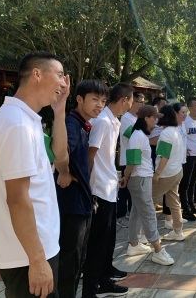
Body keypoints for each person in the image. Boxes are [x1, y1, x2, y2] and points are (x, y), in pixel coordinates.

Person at [0, 51, 69, 298]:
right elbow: (17, 199)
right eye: (60, 75)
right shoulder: (17, 125)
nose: (64, 83)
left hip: (35, 250)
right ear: (37, 74)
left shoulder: (27, 120)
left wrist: (60, 110)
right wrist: (37, 259)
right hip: (27, 256)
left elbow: (60, 157)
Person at [55, 79, 108, 298]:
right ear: (79, 99)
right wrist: (63, 171)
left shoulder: (83, 124)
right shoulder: (72, 124)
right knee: (69, 262)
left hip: (81, 202)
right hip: (72, 204)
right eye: (95, 99)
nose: (100, 105)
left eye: (103, 100)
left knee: (77, 260)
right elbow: (59, 150)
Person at [81, 82, 134, 298]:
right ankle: (90, 290)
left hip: (109, 187)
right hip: (99, 190)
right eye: (132, 100)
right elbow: (90, 155)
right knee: (97, 244)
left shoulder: (113, 121)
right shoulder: (102, 122)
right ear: (124, 100)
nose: (132, 105)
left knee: (107, 241)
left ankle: (104, 280)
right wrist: (86, 187)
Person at [122, 105, 175, 265]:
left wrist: (127, 177)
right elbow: (132, 161)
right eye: (154, 118)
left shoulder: (139, 135)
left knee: (137, 212)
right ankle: (157, 249)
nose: (156, 121)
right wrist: (125, 176)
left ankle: (134, 244)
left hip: (141, 178)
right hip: (140, 179)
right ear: (146, 118)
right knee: (148, 212)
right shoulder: (138, 136)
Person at [153, 105, 187, 241]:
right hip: (177, 170)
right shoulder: (177, 131)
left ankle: (144, 234)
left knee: (149, 201)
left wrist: (157, 173)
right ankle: (178, 231)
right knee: (173, 201)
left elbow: (164, 156)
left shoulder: (166, 133)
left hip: (166, 173)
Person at [117, 92, 145, 228]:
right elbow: (131, 135)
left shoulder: (137, 118)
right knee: (124, 189)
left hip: (136, 159)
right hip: (127, 159)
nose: (143, 104)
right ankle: (120, 215)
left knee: (132, 190)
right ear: (133, 102)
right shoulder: (126, 118)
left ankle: (130, 213)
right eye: (141, 102)